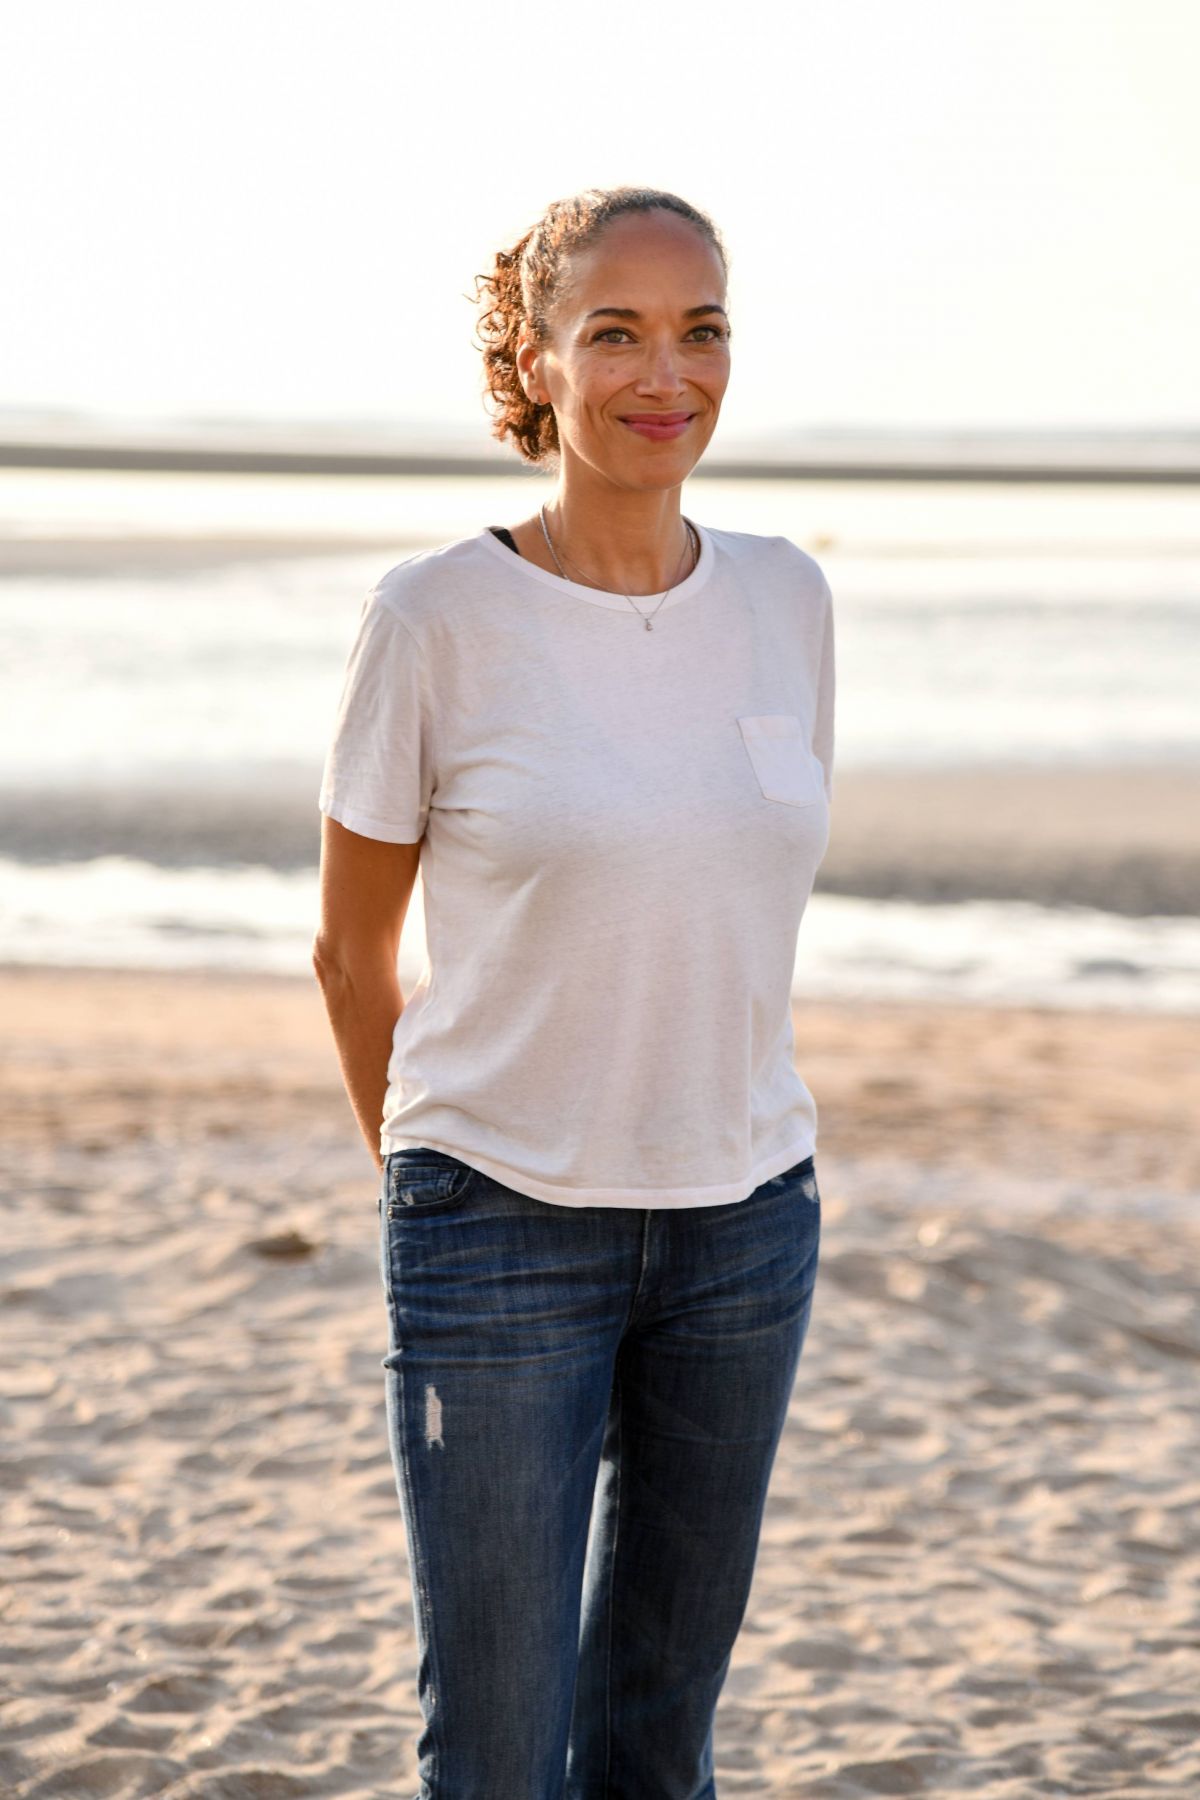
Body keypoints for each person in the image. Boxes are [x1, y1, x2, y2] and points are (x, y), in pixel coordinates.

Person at [312, 184, 835, 1800]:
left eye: (701, 329)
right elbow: (350, 952)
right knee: (493, 1750)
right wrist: (428, 1179)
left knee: (657, 1743)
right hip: (500, 1224)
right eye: (612, 332)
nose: (662, 372)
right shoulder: (435, 618)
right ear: (534, 363)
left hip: (746, 1222)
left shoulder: (788, 598)